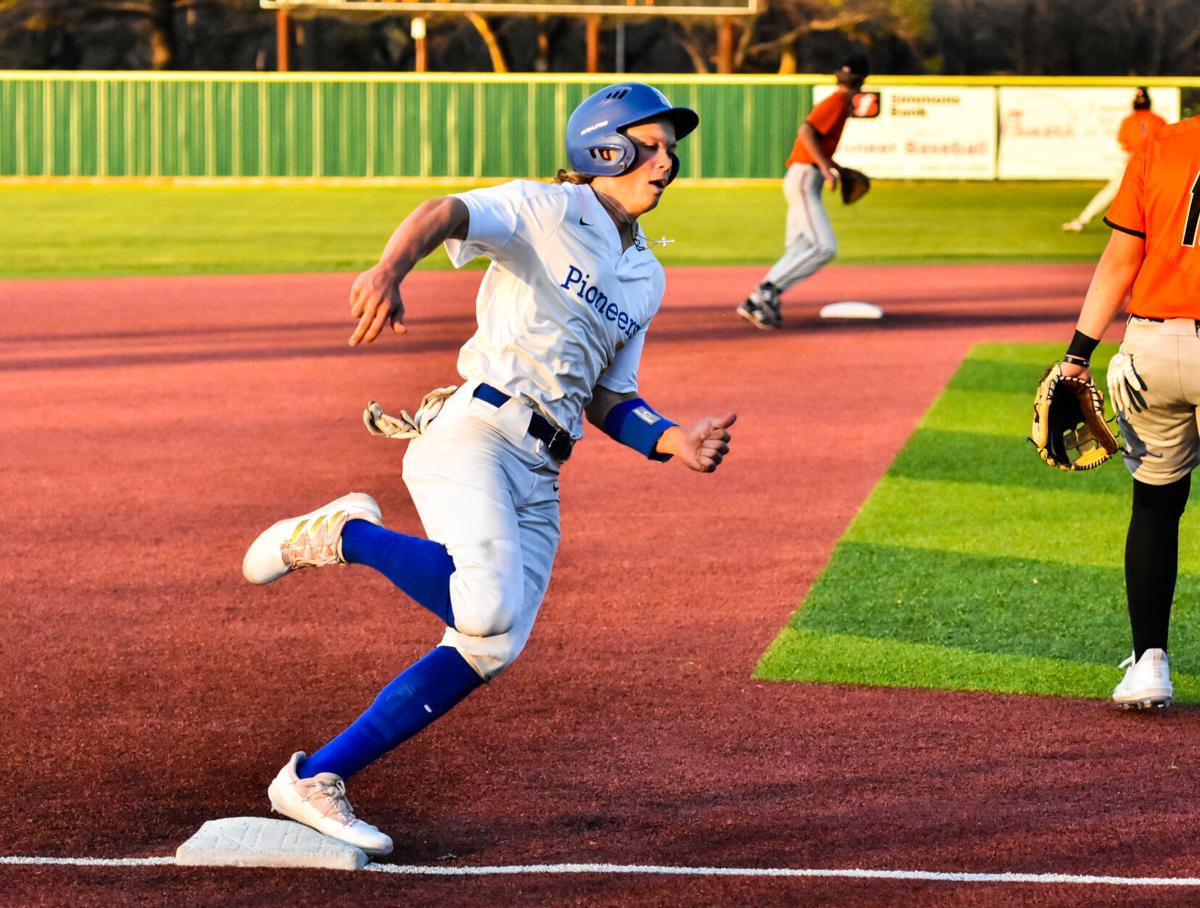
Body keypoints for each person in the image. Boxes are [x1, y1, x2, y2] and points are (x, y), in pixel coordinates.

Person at [240, 82, 737, 855]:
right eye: (651, 144)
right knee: (482, 606)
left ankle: (315, 777)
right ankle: (345, 534)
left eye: (672, 148)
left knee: (489, 644)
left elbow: (612, 398)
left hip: (543, 468)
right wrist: (389, 268)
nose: (667, 162)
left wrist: (677, 442)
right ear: (603, 146)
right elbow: (447, 212)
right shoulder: (546, 208)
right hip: (474, 430)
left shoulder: (646, 277)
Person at [1058, 113, 1200, 710]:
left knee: (1156, 507)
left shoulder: (1163, 144)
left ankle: (1148, 667)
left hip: (1155, 347)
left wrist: (1076, 355)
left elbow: (1120, 260)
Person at [737, 54, 869, 330]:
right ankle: (765, 291)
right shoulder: (836, 101)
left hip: (805, 176)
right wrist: (824, 168)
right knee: (824, 246)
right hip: (804, 178)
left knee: (800, 247)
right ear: (863, 81)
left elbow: (816, 143)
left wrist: (836, 168)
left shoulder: (839, 102)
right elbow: (806, 131)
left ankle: (754, 301)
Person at [1062, 87, 1166, 233]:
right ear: (1149, 102)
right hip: (1155, 165)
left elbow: (1125, 145)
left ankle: (1082, 221)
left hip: (1134, 164)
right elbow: (1165, 144)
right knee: (1161, 197)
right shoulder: (1159, 120)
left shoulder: (1128, 121)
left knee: (1110, 192)